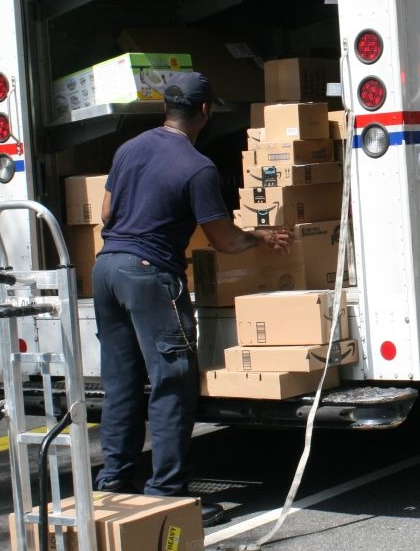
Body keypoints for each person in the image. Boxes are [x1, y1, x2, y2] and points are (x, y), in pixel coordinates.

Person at [91, 72, 291, 527]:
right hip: (148, 276)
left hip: (106, 269)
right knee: (171, 381)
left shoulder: (129, 149)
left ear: (167, 107)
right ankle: (167, 492)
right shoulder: (196, 167)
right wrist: (260, 237)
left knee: (121, 382)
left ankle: (114, 486)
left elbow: (105, 212)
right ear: (206, 111)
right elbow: (224, 241)